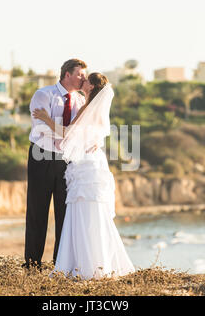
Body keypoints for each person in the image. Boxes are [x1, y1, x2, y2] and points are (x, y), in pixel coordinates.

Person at [32, 73, 135, 280]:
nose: (82, 81)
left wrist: (45, 119)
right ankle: (96, 262)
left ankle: (86, 265)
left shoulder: (88, 108)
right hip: (92, 161)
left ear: (91, 86)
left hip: (86, 164)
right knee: (90, 211)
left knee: (84, 210)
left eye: (86, 79)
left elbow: (67, 134)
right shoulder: (93, 108)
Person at [23, 58, 87, 270]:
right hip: (41, 156)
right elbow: (42, 129)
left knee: (64, 213)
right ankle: (32, 264)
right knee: (37, 211)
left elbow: (75, 132)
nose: (83, 78)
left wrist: (62, 129)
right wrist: (65, 131)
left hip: (66, 160)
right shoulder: (44, 94)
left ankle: (60, 264)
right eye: (80, 74)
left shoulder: (79, 100)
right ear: (67, 74)